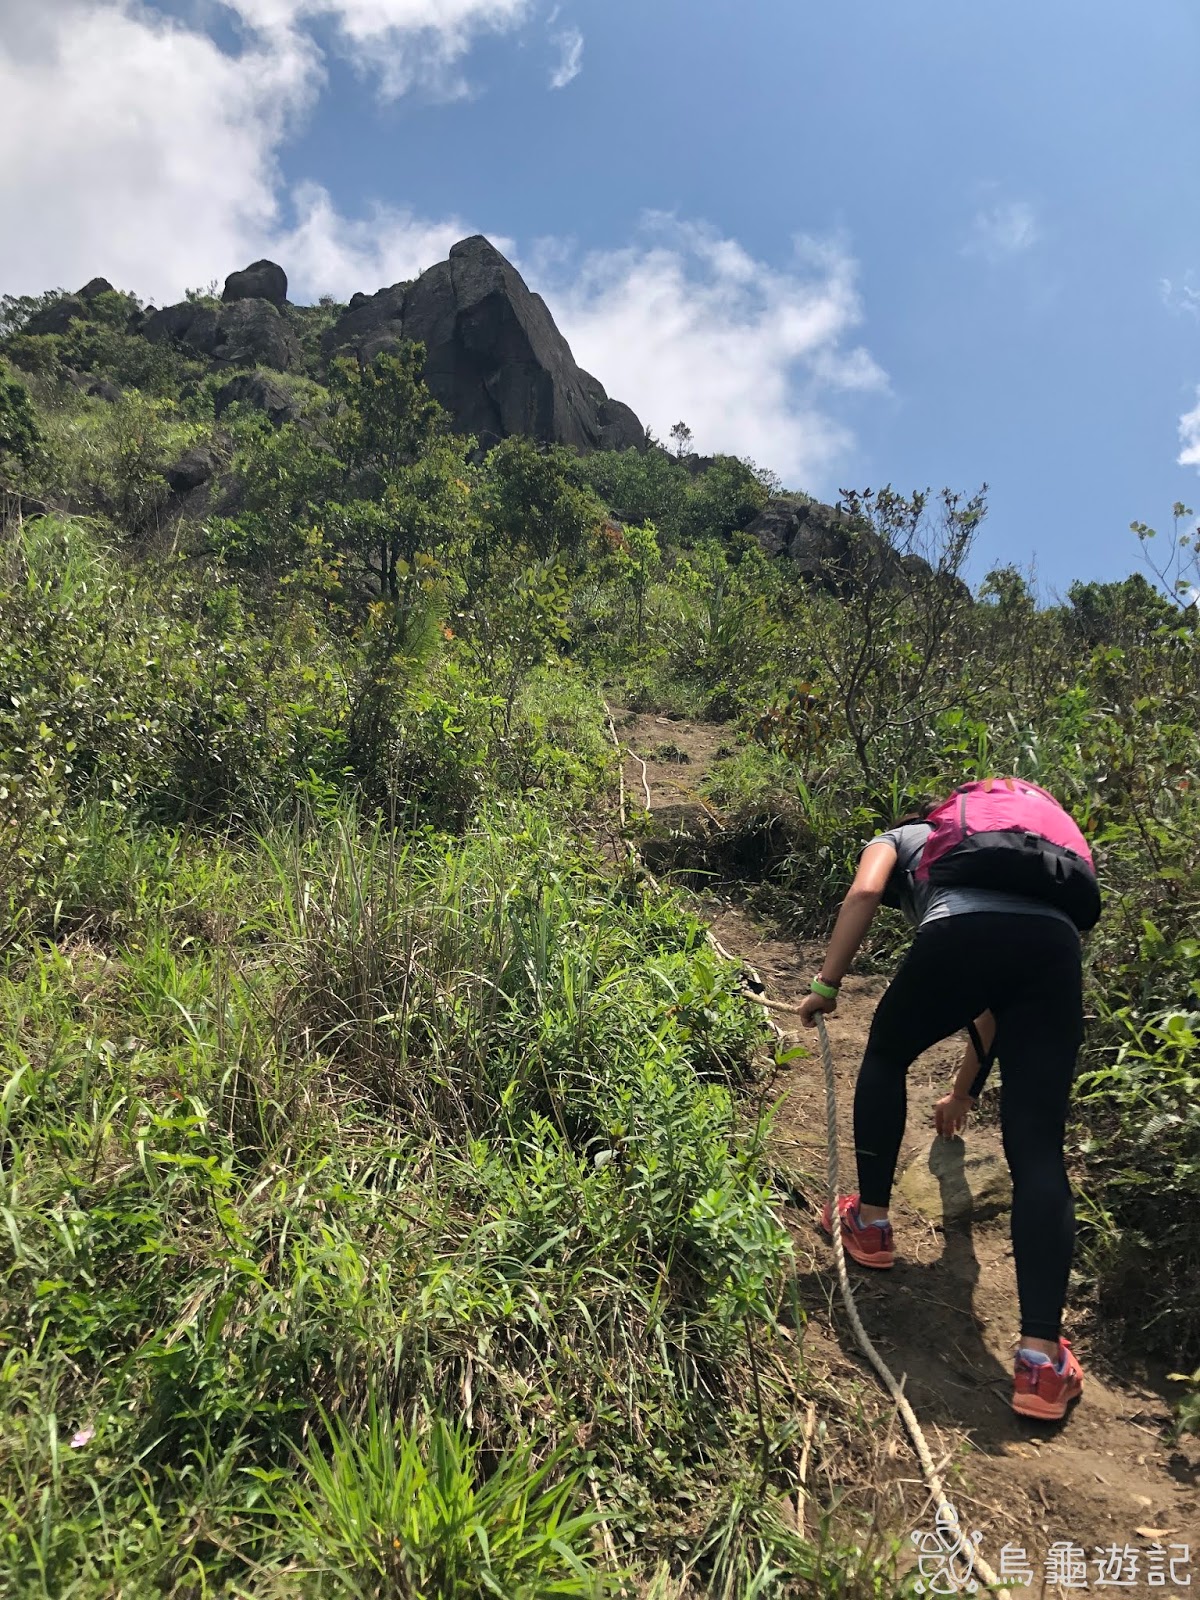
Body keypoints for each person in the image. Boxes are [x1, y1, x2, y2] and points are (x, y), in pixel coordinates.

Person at [797, 795, 1087, 1421]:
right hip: (1054, 947)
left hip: (960, 932)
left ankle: (870, 1223)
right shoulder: (1031, 862)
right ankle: (1041, 1362)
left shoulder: (902, 837)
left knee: (886, 1055)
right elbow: (994, 1008)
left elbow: (864, 893)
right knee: (1038, 1146)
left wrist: (827, 984)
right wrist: (962, 1093)